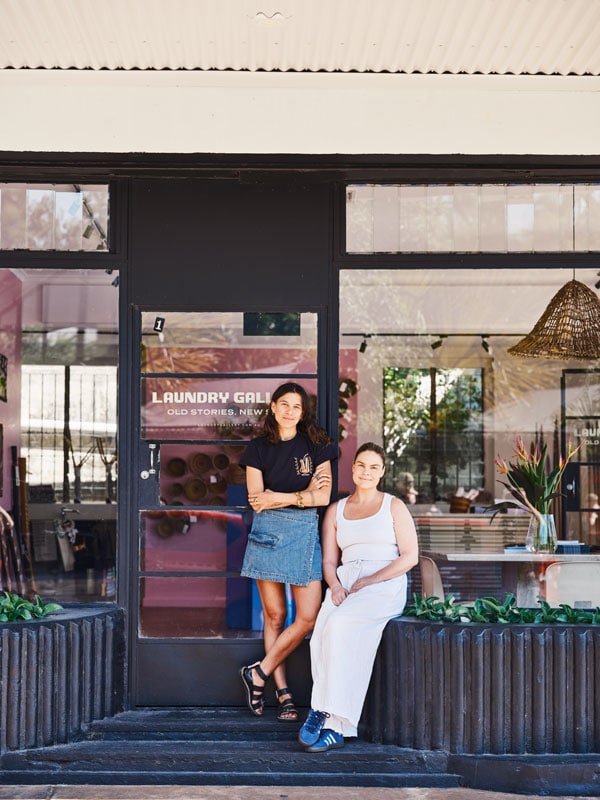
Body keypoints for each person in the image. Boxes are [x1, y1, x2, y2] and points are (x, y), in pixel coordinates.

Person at [298, 442, 419, 752]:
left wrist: (371, 580)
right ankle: (334, 727)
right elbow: (328, 561)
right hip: (346, 581)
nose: (366, 472)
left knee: (339, 625)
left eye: (374, 467)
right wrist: (335, 586)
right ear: (352, 469)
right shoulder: (336, 510)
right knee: (319, 637)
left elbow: (410, 557)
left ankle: (325, 713)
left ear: (382, 473)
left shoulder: (393, 506)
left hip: (384, 582)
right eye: (361, 465)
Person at [239, 382, 337, 722]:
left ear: (302, 411)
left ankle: (258, 672)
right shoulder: (257, 449)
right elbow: (256, 500)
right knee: (275, 617)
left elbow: (323, 498)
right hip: (268, 535)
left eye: (296, 406)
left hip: (306, 532)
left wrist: (280, 497)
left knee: (307, 616)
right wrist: (302, 492)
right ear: (273, 407)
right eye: (284, 404)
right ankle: (283, 694)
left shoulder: (319, 444)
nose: (290, 411)